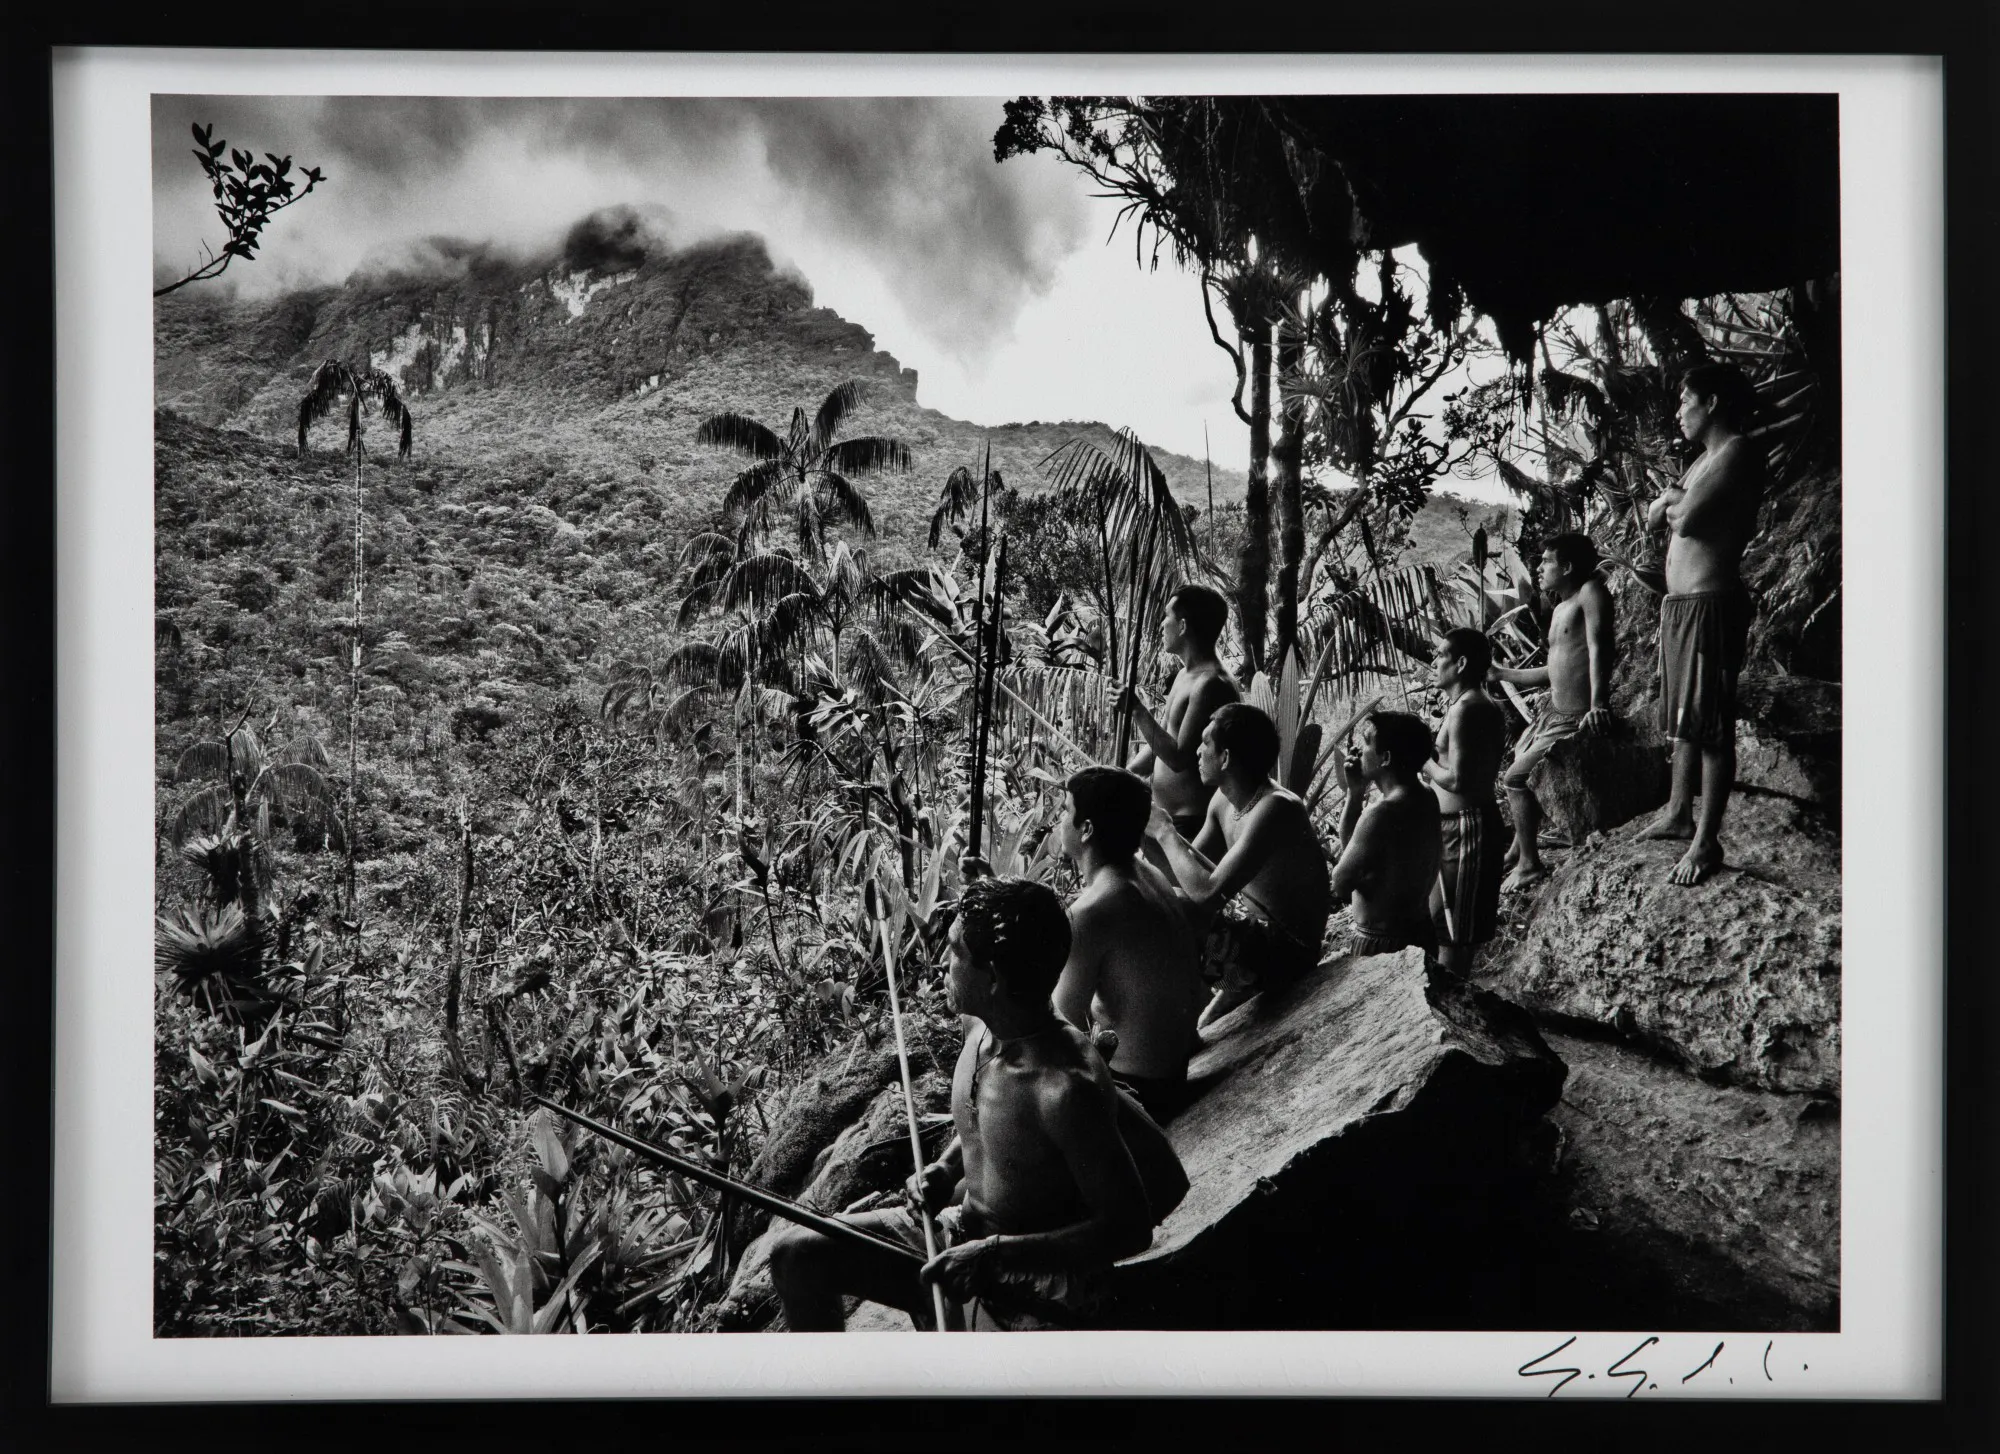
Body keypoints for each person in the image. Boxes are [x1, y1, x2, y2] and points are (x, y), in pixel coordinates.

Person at [767, 877, 1158, 1332]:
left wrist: (994, 1253)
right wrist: (947, 1168)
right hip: (959, 1236)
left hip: (1033, 1278)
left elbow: (1130, 1227)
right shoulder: (984, 1025)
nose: (939, 963)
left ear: (993, 977)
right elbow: (989, 1118)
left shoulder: (1065, 1088)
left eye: (953, 953)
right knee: (796, 1255)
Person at [1636, 362, 1767, 886]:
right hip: (1683, 606)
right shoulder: (1701, 462)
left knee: (1710, 725)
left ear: (1711, 402)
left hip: (1711, 603)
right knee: (1686, 718)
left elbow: (1684, 520)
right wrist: (1674, 500)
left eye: (1685, 400)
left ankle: (1707, 840)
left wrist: (1672, 501)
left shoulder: (1736, 451)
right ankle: (1676, 811)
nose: (1678, 411)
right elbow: (1660, 515)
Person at [1142, 702, 1333, 1029]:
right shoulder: (1222, 802)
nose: (1198, 752)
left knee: (1181, 913)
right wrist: (1146, 835)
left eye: (1205, 743)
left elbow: (1207, 894)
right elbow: (1184, 875)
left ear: (1226, 758)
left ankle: (1168, 1030)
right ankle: (1188, 1023)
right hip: (1256, 943)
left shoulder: (1276, 808)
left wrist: (1165, 831)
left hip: (1290, 953)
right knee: (1163, 901)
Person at [1051, 766, 1208, 1122]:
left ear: (1087, 829)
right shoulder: (1149, 876)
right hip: (1171, 1075)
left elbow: (1064, 1029)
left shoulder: (1092, 911)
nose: (1060, 820)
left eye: (1065, 810)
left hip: (1141, 1093)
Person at [1490, 533, 1617, 891]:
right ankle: (1519, 847)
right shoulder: (1561, 606)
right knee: (1517, 754)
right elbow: (1553, 670)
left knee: (1514, 778)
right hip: (1553, 712)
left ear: (1568, 567)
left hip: (1576, 716)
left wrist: (1598, 705)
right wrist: (1502, 674)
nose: (1538, 568)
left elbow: (1599, 650)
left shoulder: (1591, 593)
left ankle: (1530, 864)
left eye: (1546, 561)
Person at [1113, 584, 1241, 856]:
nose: (1161, 625)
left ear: (1182, 626)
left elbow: (1180, 757)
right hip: (1162, 818)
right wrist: (1128, 773)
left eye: (1166, 617)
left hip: (1189, 824)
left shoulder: (1211, 683)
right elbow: (1165, 739)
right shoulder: (1185, 675)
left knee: (1176, 898)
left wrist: (1137, 709)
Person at [1418, 628, 1509, 978]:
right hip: (1451, 827)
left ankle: (1453, 1012)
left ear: (1461, 663)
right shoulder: (1463, 705)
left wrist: (1423, 760)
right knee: (1443, 923)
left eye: (1440, 655)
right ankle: (1446, 1006)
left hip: (1468, 827)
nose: (1434, 662)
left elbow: (1458, 780)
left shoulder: (1470, 707)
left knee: (1455, 932)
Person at [1328, 710, 1445, 960]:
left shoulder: (1381, 813)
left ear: (1386, 758)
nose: (1359, 749)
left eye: (1367, 742)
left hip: (1382, 944)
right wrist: (1355, 794)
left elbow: (1340, 884)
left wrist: (1355, 796)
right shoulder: (1425, 795)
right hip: (1421, 935)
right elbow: (1358, 853)